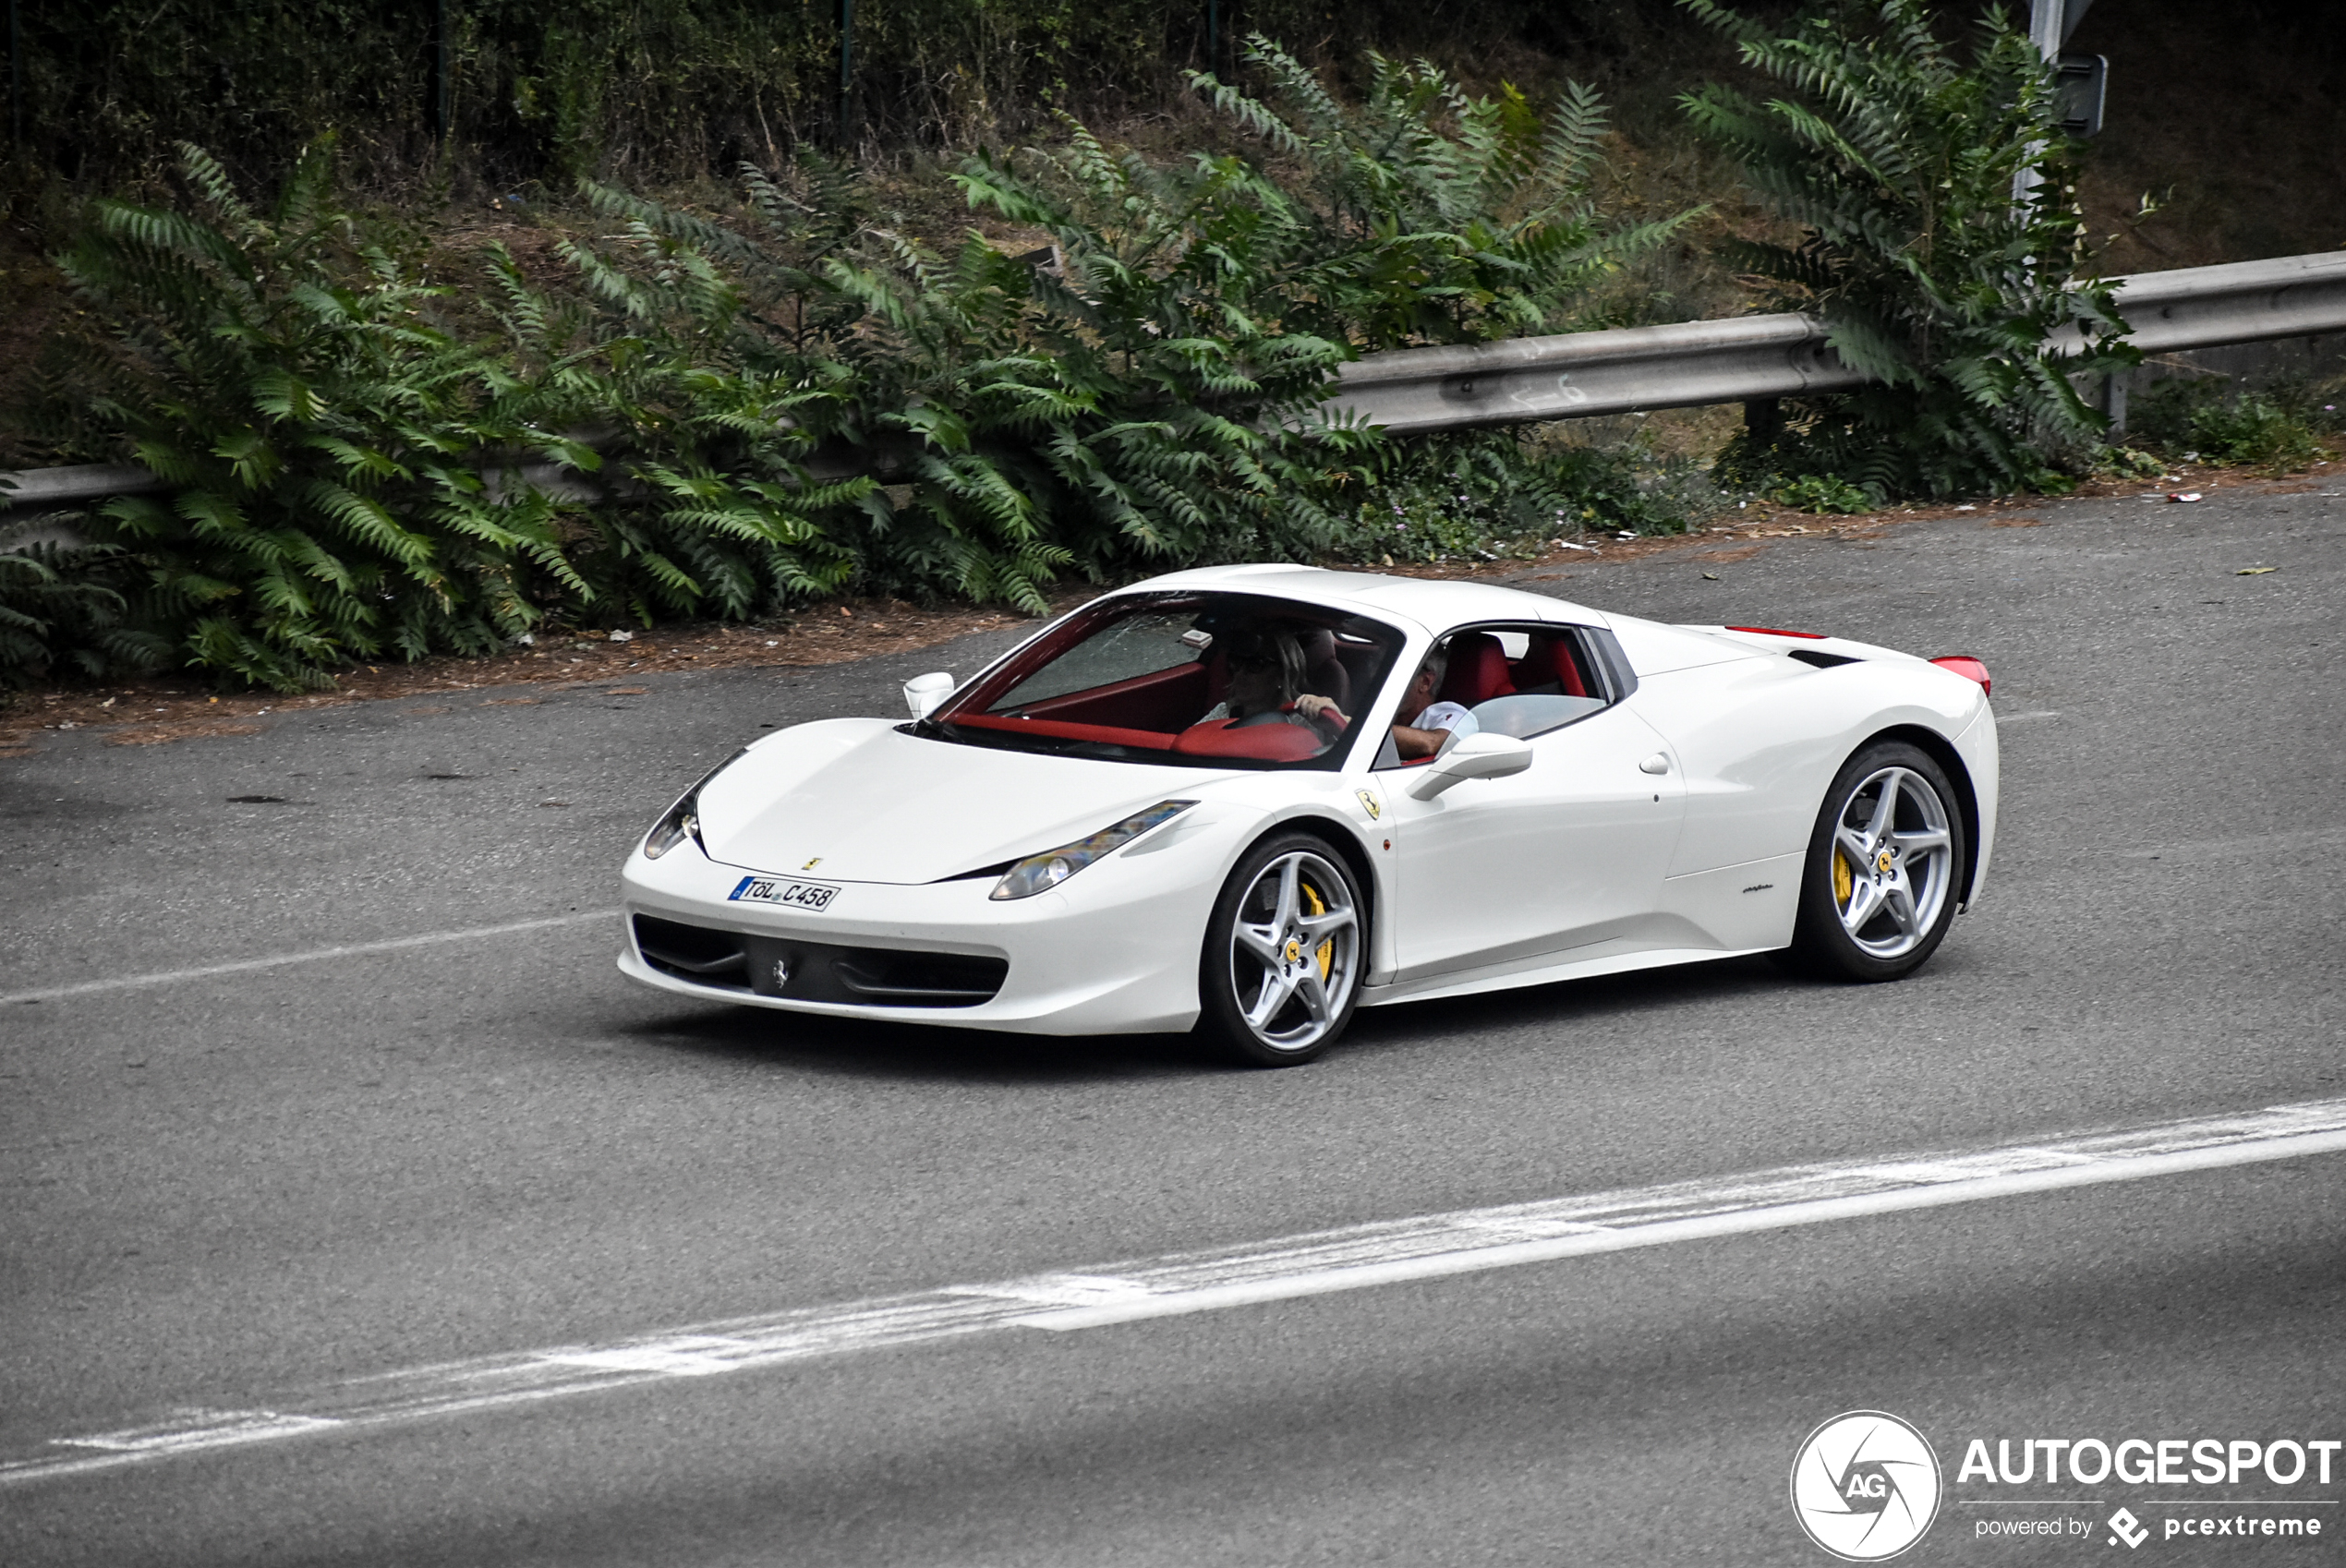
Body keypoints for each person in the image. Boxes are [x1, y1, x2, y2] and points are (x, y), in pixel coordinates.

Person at [1214, 626, 1348, 738]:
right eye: (1236, 663)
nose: (1241, 674)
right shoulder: (1223, 711)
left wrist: (1336, 721)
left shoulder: (1300, 724)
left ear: (1282, 675)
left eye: (1256, 665)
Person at [1388, 645, 1479, 760]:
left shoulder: (1457, 715)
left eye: (1391, 673)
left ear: (1425, 682)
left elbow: (1430, 744)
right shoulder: (1374, 710)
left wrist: (1367, 728)